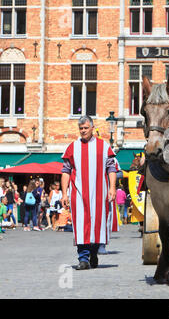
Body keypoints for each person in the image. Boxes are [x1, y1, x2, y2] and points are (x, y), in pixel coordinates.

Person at [61, 115, 117, 270]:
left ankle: (93, 253)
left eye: (86, 128)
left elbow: (111, 168)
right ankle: (83, 258)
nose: (83, 131)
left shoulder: (103, 146)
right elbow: (66, 171)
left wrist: (112, 187)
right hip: (78, 192)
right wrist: (64, 193)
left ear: (92, 128)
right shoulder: (72, 147)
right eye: (81, 128)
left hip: (99, 192)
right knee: (81, 224)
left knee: (96, 224)